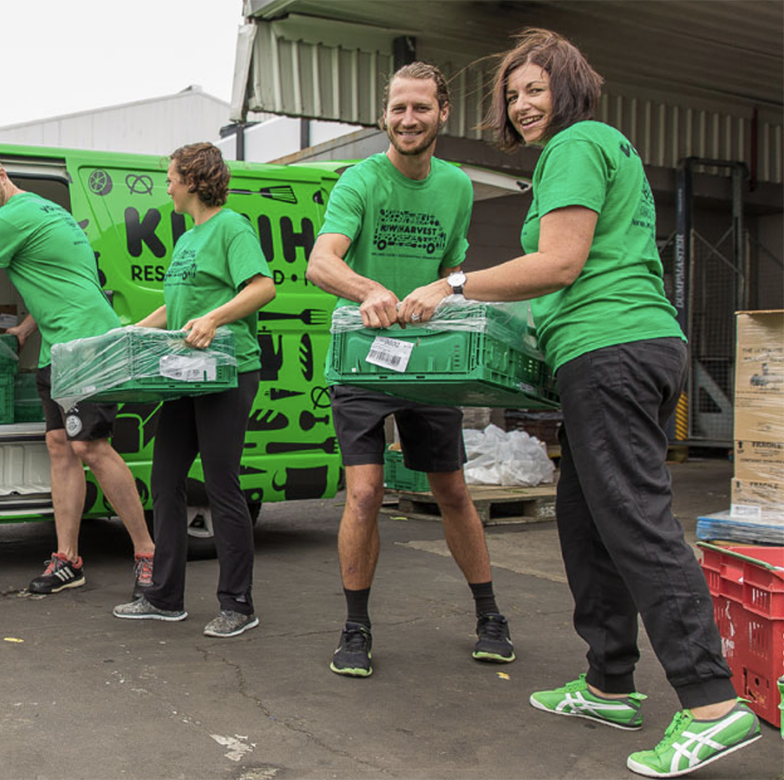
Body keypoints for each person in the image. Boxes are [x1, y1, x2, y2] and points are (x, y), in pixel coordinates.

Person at [398, 29, 760, 777]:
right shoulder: (604, 148)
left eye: (535, 89)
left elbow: (559, 263)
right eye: (513, 95)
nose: (522, 105)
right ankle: (609, 683)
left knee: (634, 519)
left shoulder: (575, 144)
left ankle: (711, 703)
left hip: (612, 348)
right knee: (586, 520)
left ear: (568, 88)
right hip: (626, 347)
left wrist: (453, 285)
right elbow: (576, 270)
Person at [305, 62, 516, 678]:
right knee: (365, 493)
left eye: (420, 107)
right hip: (363, 358)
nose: (408, 118)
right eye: (398, 107)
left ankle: (490, 615)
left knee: (451, 490)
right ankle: (355, 627)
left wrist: (448, 297)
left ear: (442, 113)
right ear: (384, 115)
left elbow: (452, 271)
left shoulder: (456, 187)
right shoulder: (360, 181)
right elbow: (321, 263)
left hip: (428, 361)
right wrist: (367, 289)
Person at [0, 144, 156, 596]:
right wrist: (25, 328)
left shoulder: (11, 219)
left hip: (88, 345)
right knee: (60, 446)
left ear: (1, 174)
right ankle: (68, 560)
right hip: (59, 349)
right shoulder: (48, 210)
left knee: (90, 446)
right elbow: (61, 280)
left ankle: (148, 554)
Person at [110, 142, 275, 637]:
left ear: (193, 181)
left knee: (221, 484)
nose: (167, 187)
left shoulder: (231, 227)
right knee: (165, 481)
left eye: (171, 178)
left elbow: (261, 287)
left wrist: (215, 318)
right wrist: (133, 331)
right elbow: (178, 307)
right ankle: (164, 597)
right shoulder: (186, 239)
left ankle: (238, 604)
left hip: (227, 371)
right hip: (184, 373)